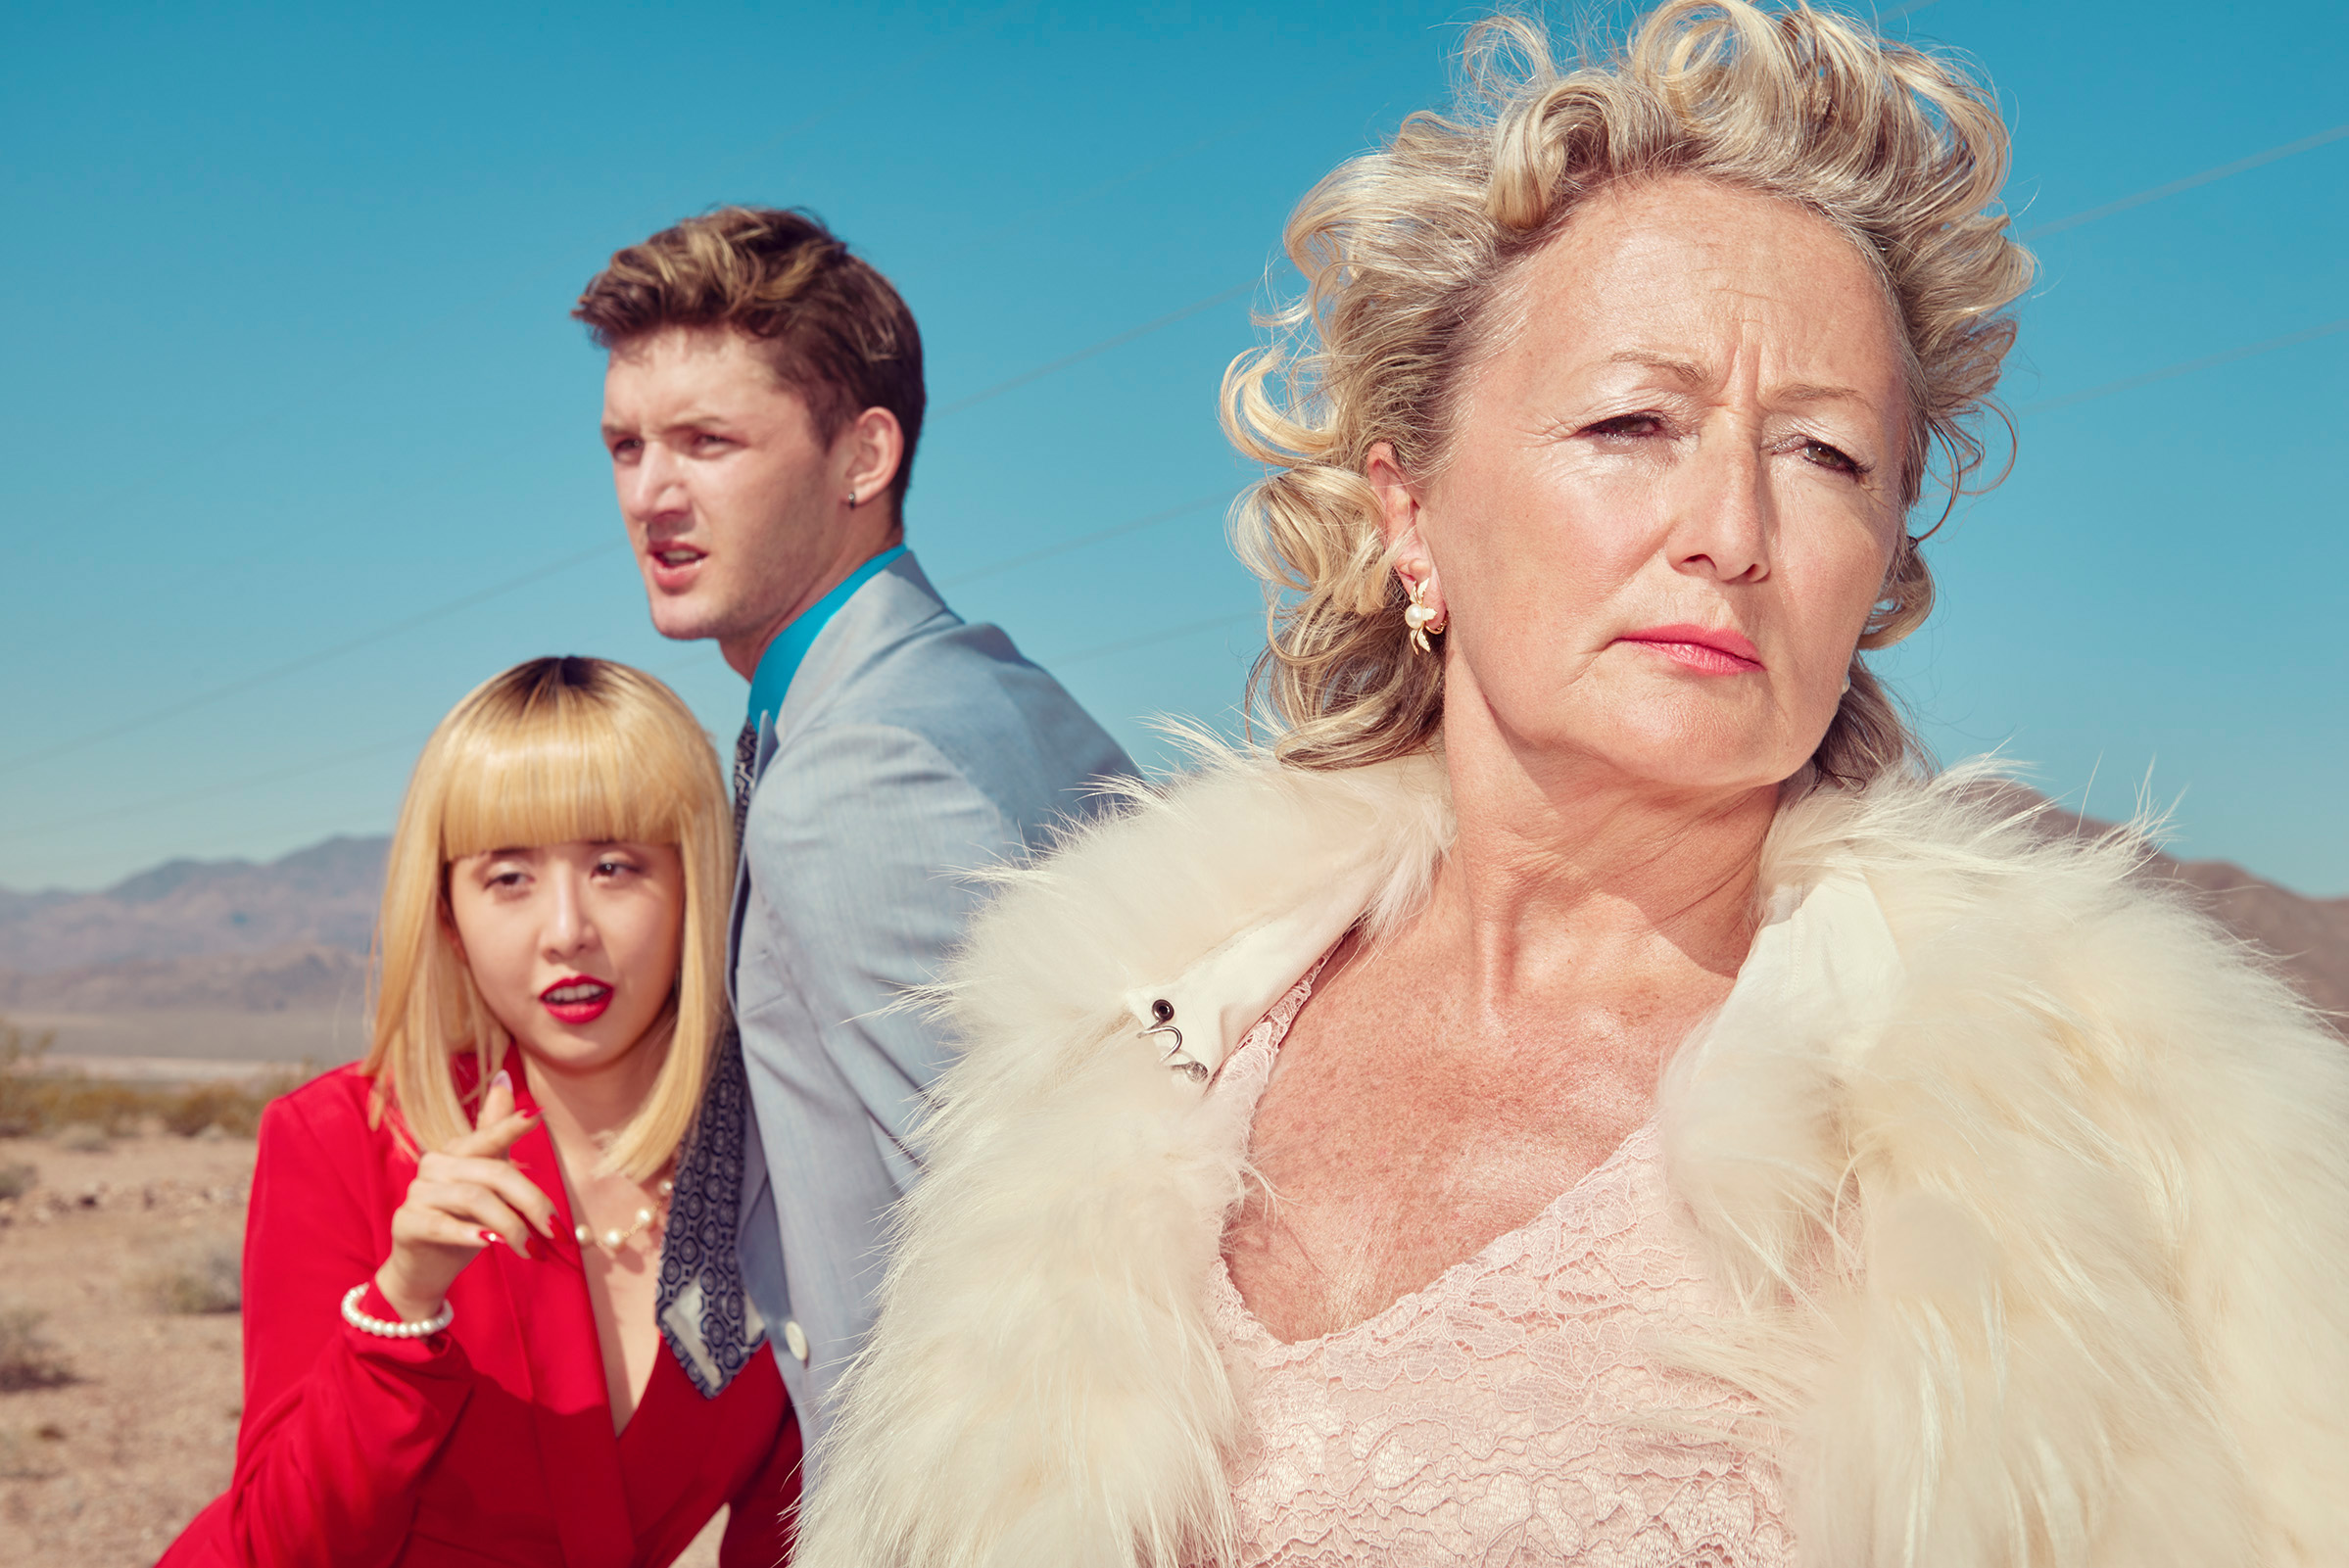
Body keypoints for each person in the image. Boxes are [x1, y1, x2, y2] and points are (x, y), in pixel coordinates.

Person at [794, 4, 2349, 1565]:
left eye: (1823, 455)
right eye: (1631, 422)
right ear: (1410, 513)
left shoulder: (2116, 1140)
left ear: (1881, 556)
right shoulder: (1117, 1037)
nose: (1729, 530)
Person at [572, 209, 1132, 1455]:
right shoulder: (981, 688)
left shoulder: (859, 768)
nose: (651, 494)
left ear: (862, 455)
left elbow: (1012, 1236)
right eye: (624, 446)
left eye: (708, 441)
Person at [165, 657, 800, 1568]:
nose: (566, 929)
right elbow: (280, 1547)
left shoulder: (777, 1159)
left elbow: (799, 1517)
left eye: (615, 865)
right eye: (508, 877)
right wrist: (403, 1302)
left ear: (694, 883)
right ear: (448, 916)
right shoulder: (338, 1138)